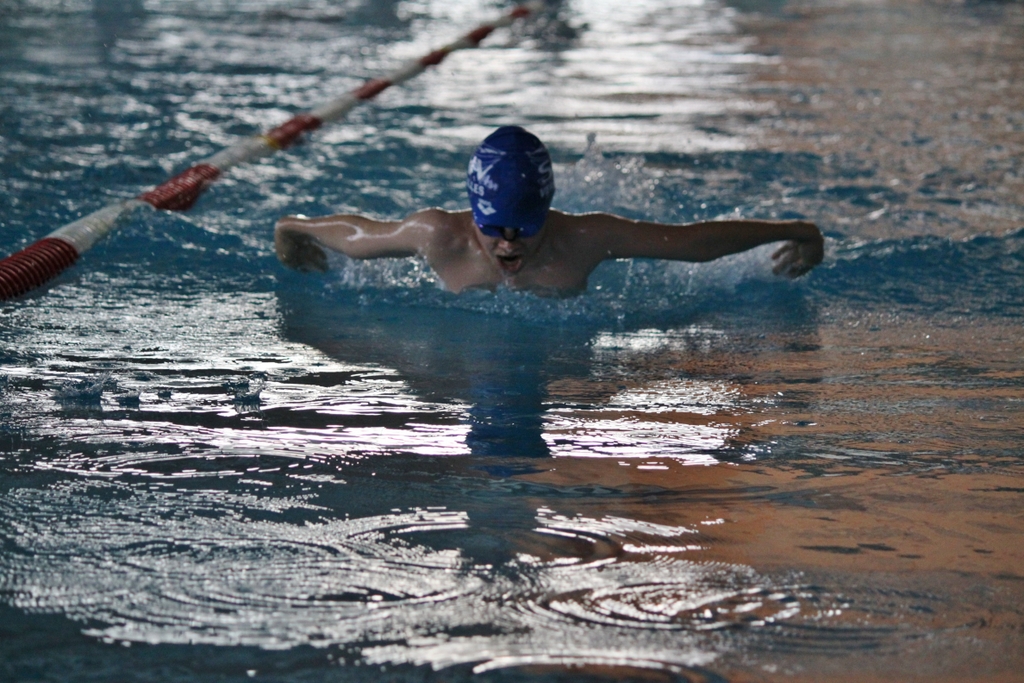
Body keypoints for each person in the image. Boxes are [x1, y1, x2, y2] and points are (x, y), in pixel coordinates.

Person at [275, 125, 824, 297]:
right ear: (474, 215)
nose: (509, 244)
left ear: (549, 212)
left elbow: (692, 245)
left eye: (525, 229)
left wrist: (796, 231)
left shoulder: (586, 238)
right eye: (495, 229)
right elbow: (358, 237)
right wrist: (293, 229)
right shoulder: (437, 234)